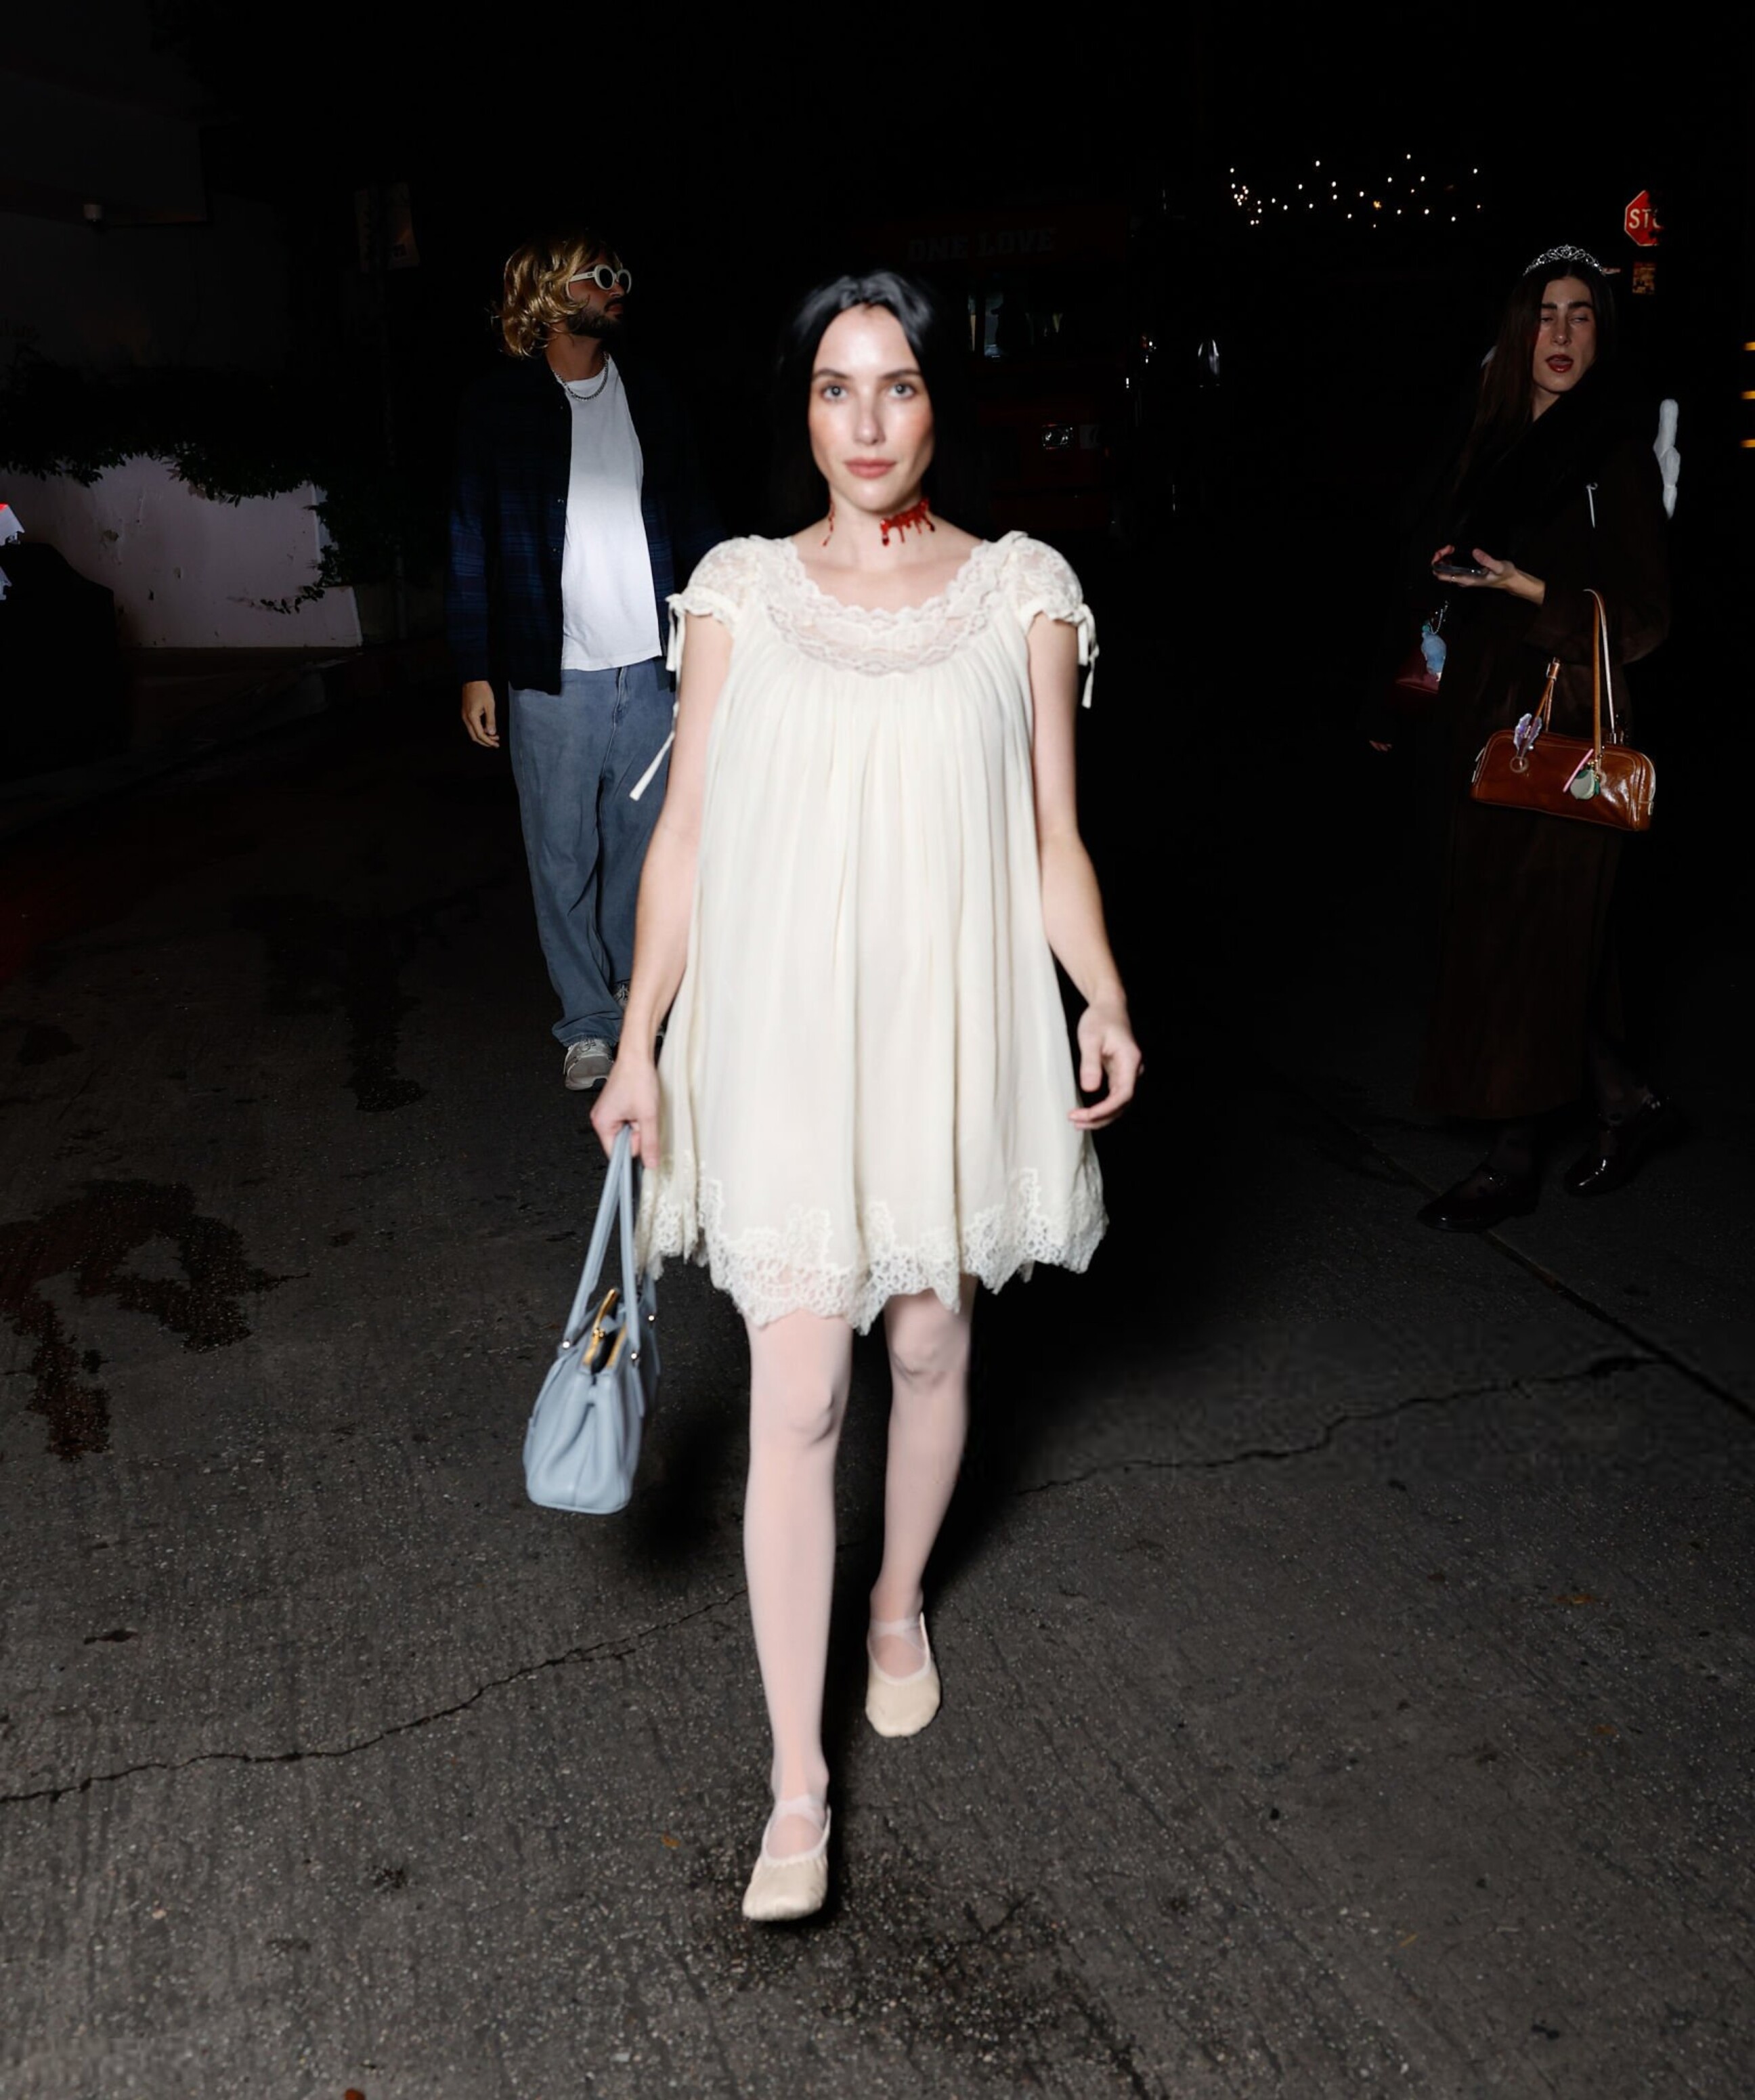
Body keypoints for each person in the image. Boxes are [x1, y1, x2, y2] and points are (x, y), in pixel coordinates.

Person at [590, 270, 1142, 1921]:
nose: (868, 421)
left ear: (936, 403)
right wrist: (636, 1039)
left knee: (928, 1344)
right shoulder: (739, 593)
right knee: (801, 1395)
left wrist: (1103, 992)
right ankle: (796, 1783)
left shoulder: (1022, 592)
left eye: (896, 385)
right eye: (837, 389)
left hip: (942, 1034)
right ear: (805, 410)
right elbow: (685, 839)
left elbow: (1051, 838)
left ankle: (897, 1595)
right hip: (780, 1039)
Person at [1390, 244, 1672, 1230]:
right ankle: (1624, 1100)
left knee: (1524, 941)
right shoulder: (1493, 435)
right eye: (1544, 314)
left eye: (1580, 314)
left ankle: (1510, 1163)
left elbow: (1645, 619)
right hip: (1482, 724)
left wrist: (1525, 587)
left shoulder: (1612, 452)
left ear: (1601, 333)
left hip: (1565, 732)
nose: (1560, 333)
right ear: (1518, 331)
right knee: (1527, 940)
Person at [448, 228, 719, 1090]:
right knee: (561, 855)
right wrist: (475, 665)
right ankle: (587, 1022)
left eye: (620, 274)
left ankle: (637, 995)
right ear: (547, 295)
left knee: (646, 848)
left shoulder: (655, 397)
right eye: (597, 277)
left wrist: (714, 641)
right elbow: (470, 538)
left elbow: (696, 524)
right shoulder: (499, 407)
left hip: (654, 669)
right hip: (553, 671)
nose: (616, 287)